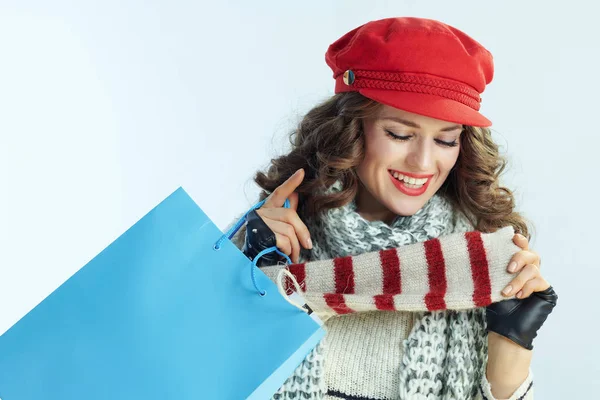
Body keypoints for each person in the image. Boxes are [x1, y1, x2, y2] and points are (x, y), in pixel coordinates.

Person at [229, 17, 557, 400]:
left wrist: (512, 341)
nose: (422, 163)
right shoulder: (273, 240)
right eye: (400, 134)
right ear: (351, 129)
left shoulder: (480, 260)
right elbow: (188, 371)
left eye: (446, 141)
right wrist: (239, 275)